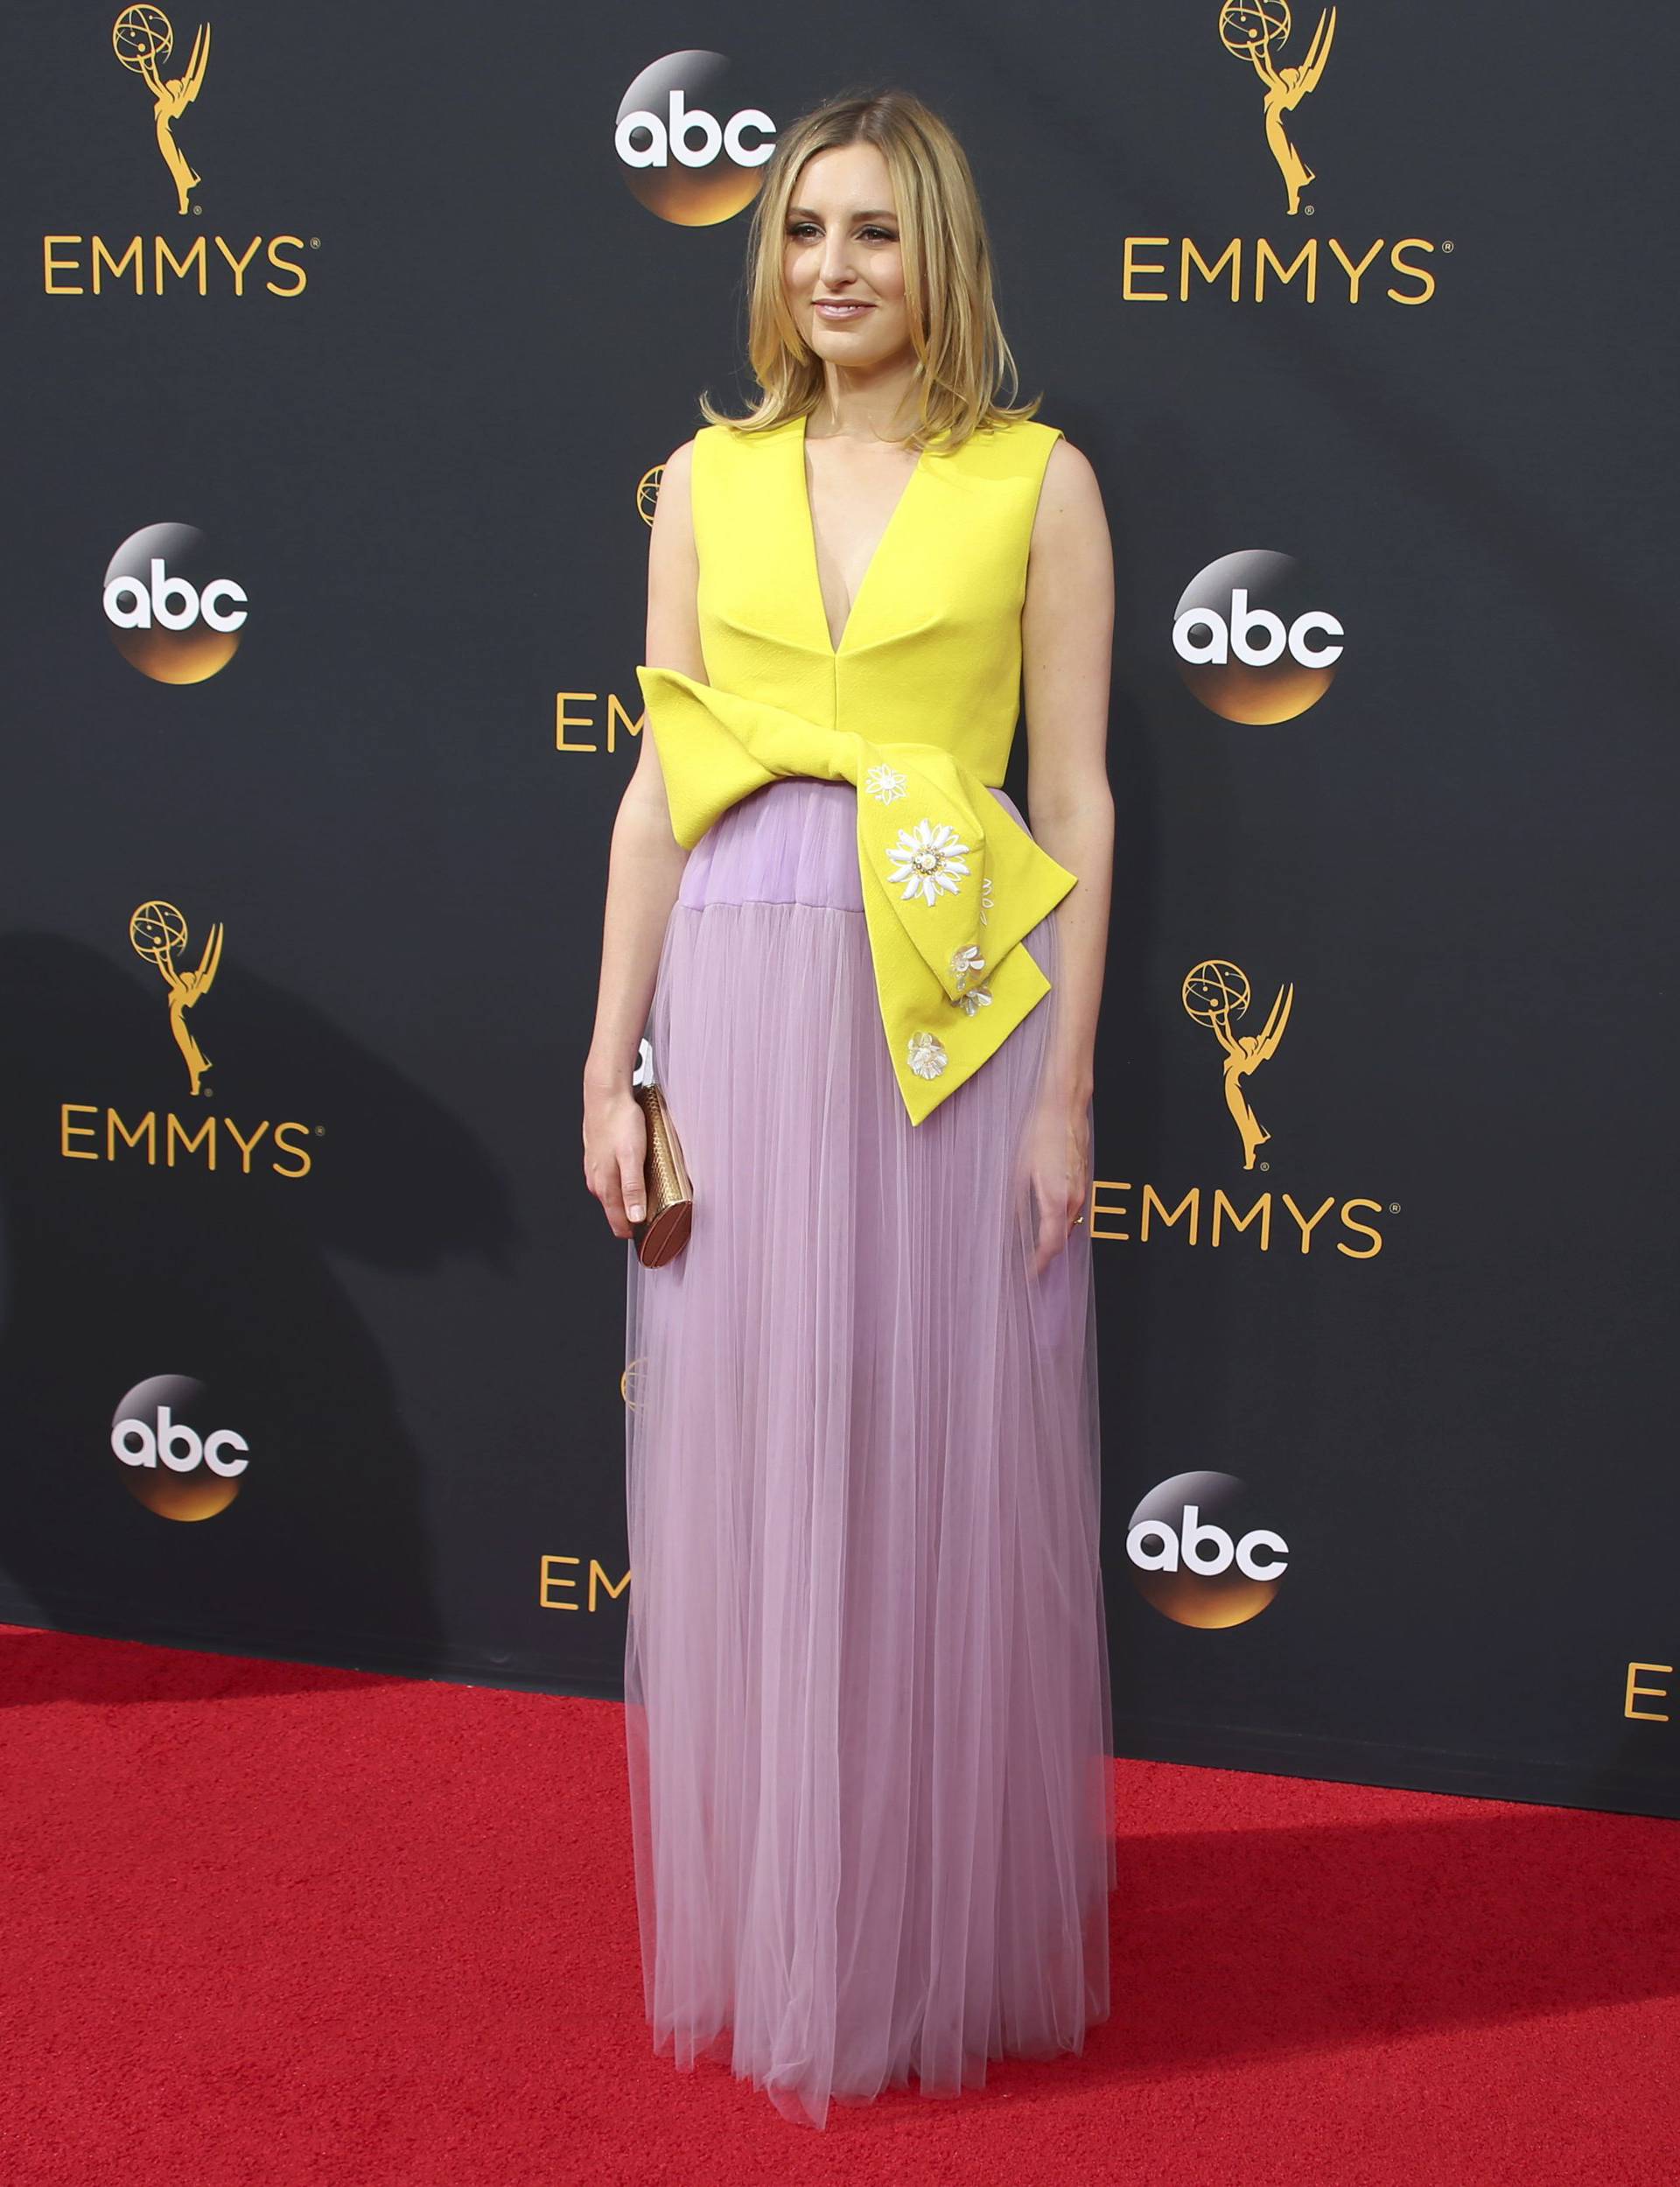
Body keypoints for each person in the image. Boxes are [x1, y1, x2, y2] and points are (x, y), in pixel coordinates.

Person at [582, 85, 1117, 2131]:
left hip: (949, 1006)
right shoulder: (702, 483)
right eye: (806, 230)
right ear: (769, 256)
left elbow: (1067, 797)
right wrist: (615, 1057)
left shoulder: (1037, 483)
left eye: (876, 233)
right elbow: (657, 787)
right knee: (754, 1454)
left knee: (921, 1460)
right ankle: (788, 1921)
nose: (833, 269)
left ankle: (922, 1938)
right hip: (732, 979)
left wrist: (1066, 1092)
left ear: (940, 254)